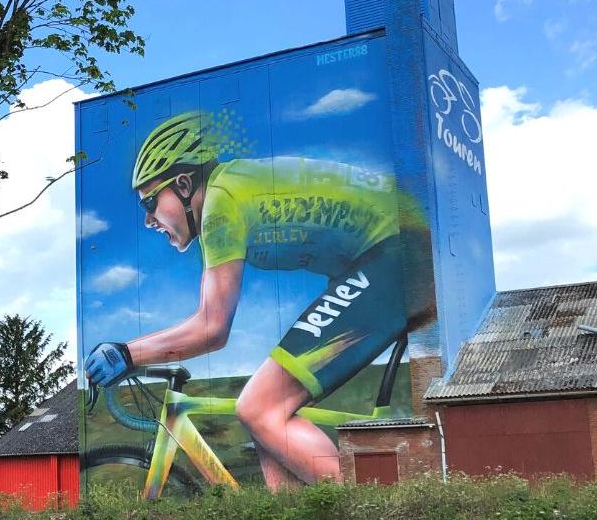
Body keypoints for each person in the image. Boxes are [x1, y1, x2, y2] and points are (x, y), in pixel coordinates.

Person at [84, 111, 433, 489]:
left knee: (259, 406)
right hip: (393, 249)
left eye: (149, 203)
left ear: (184, 185)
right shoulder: (230, 188)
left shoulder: (220, 206)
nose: (148, 220)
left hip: (398, 254)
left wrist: (128, 354)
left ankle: (373, 514)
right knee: (267, 422)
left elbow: (211, 328)